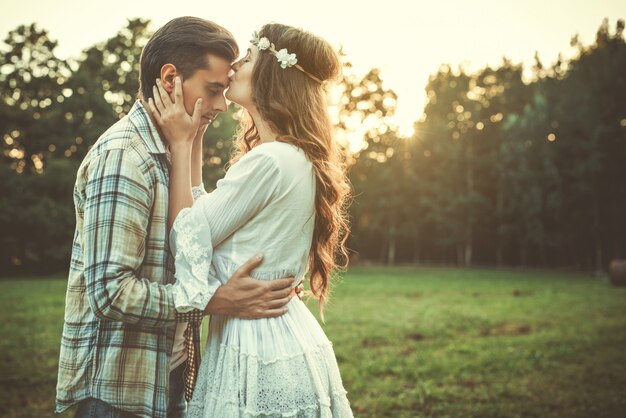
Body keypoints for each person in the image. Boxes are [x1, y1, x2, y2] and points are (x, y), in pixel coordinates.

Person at [55, 17, 297, 418]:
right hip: (119, 391)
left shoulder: (171, 150)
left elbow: (195, 241)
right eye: (213, 90)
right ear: (170, 78)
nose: (221, 105)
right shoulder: (124, 157)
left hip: (168, 371)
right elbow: (110, 293)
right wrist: (217, 300)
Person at [148, 22, 354, 417]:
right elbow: (204, 214)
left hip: (255, 342)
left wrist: (178, 143)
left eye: (248, 57)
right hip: (276, 333)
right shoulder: (291, 156)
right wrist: (195, 136)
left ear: (272, 74)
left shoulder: (271, 160)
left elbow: (187, 235)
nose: (234, 67)